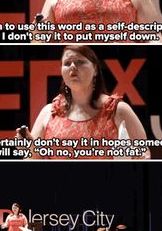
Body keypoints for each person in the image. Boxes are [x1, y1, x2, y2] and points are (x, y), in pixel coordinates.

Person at [16, 44, 150, 158]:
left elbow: (143, 157)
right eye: (67, 63)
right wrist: (30, 150)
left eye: (80, 62)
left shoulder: (118, 110)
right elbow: (33, 160)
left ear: (95, 69)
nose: (73, 66)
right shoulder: (48, 113)